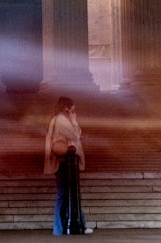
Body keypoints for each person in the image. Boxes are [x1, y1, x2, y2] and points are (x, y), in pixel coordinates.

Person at [44, 97, 91, 234]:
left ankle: (72, 225)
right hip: (64, 163)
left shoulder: (56, 119)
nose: (74, 112)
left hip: (63, 162)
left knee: (68, 194)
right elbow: (75, 134)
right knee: (66, 194)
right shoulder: (61, 120)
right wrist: (74, 121)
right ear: (67, 108)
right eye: (72, 109)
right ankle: (61, 227)